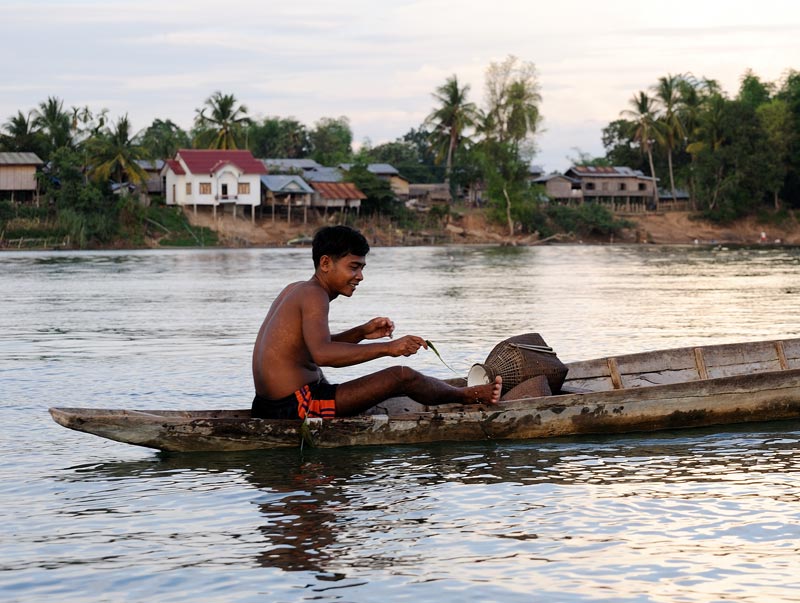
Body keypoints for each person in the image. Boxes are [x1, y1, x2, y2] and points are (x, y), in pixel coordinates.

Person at [251, 225, 502, 419]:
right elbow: (323, 355)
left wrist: (361, 332)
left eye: (362, 268)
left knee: (396, 380)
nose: (360, 276)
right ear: (326, 263)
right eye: (353, 267)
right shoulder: (314, 295)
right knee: (402, 377)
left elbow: (307, 348)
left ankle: (457, 393)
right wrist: (389, 349)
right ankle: (468, 396)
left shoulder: (297, 289)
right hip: (296, 407)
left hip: (268, 405)